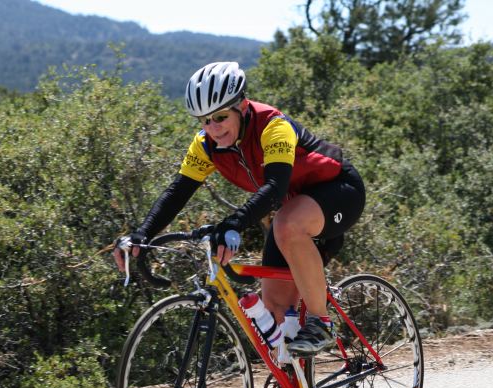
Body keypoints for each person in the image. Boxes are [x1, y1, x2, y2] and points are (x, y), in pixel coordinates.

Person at [114, 61, 365, 357]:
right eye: (204, 121)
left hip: (339, 192)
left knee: (286, 224)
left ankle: (320, 321)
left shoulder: (274, 127)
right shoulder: (206, 145)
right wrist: (142, 234)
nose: (213, 128)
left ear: (242, 106)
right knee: (273, 310)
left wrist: (233, 223)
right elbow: (177, 191)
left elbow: (275, 188)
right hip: (291, 209)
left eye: (220, 117)